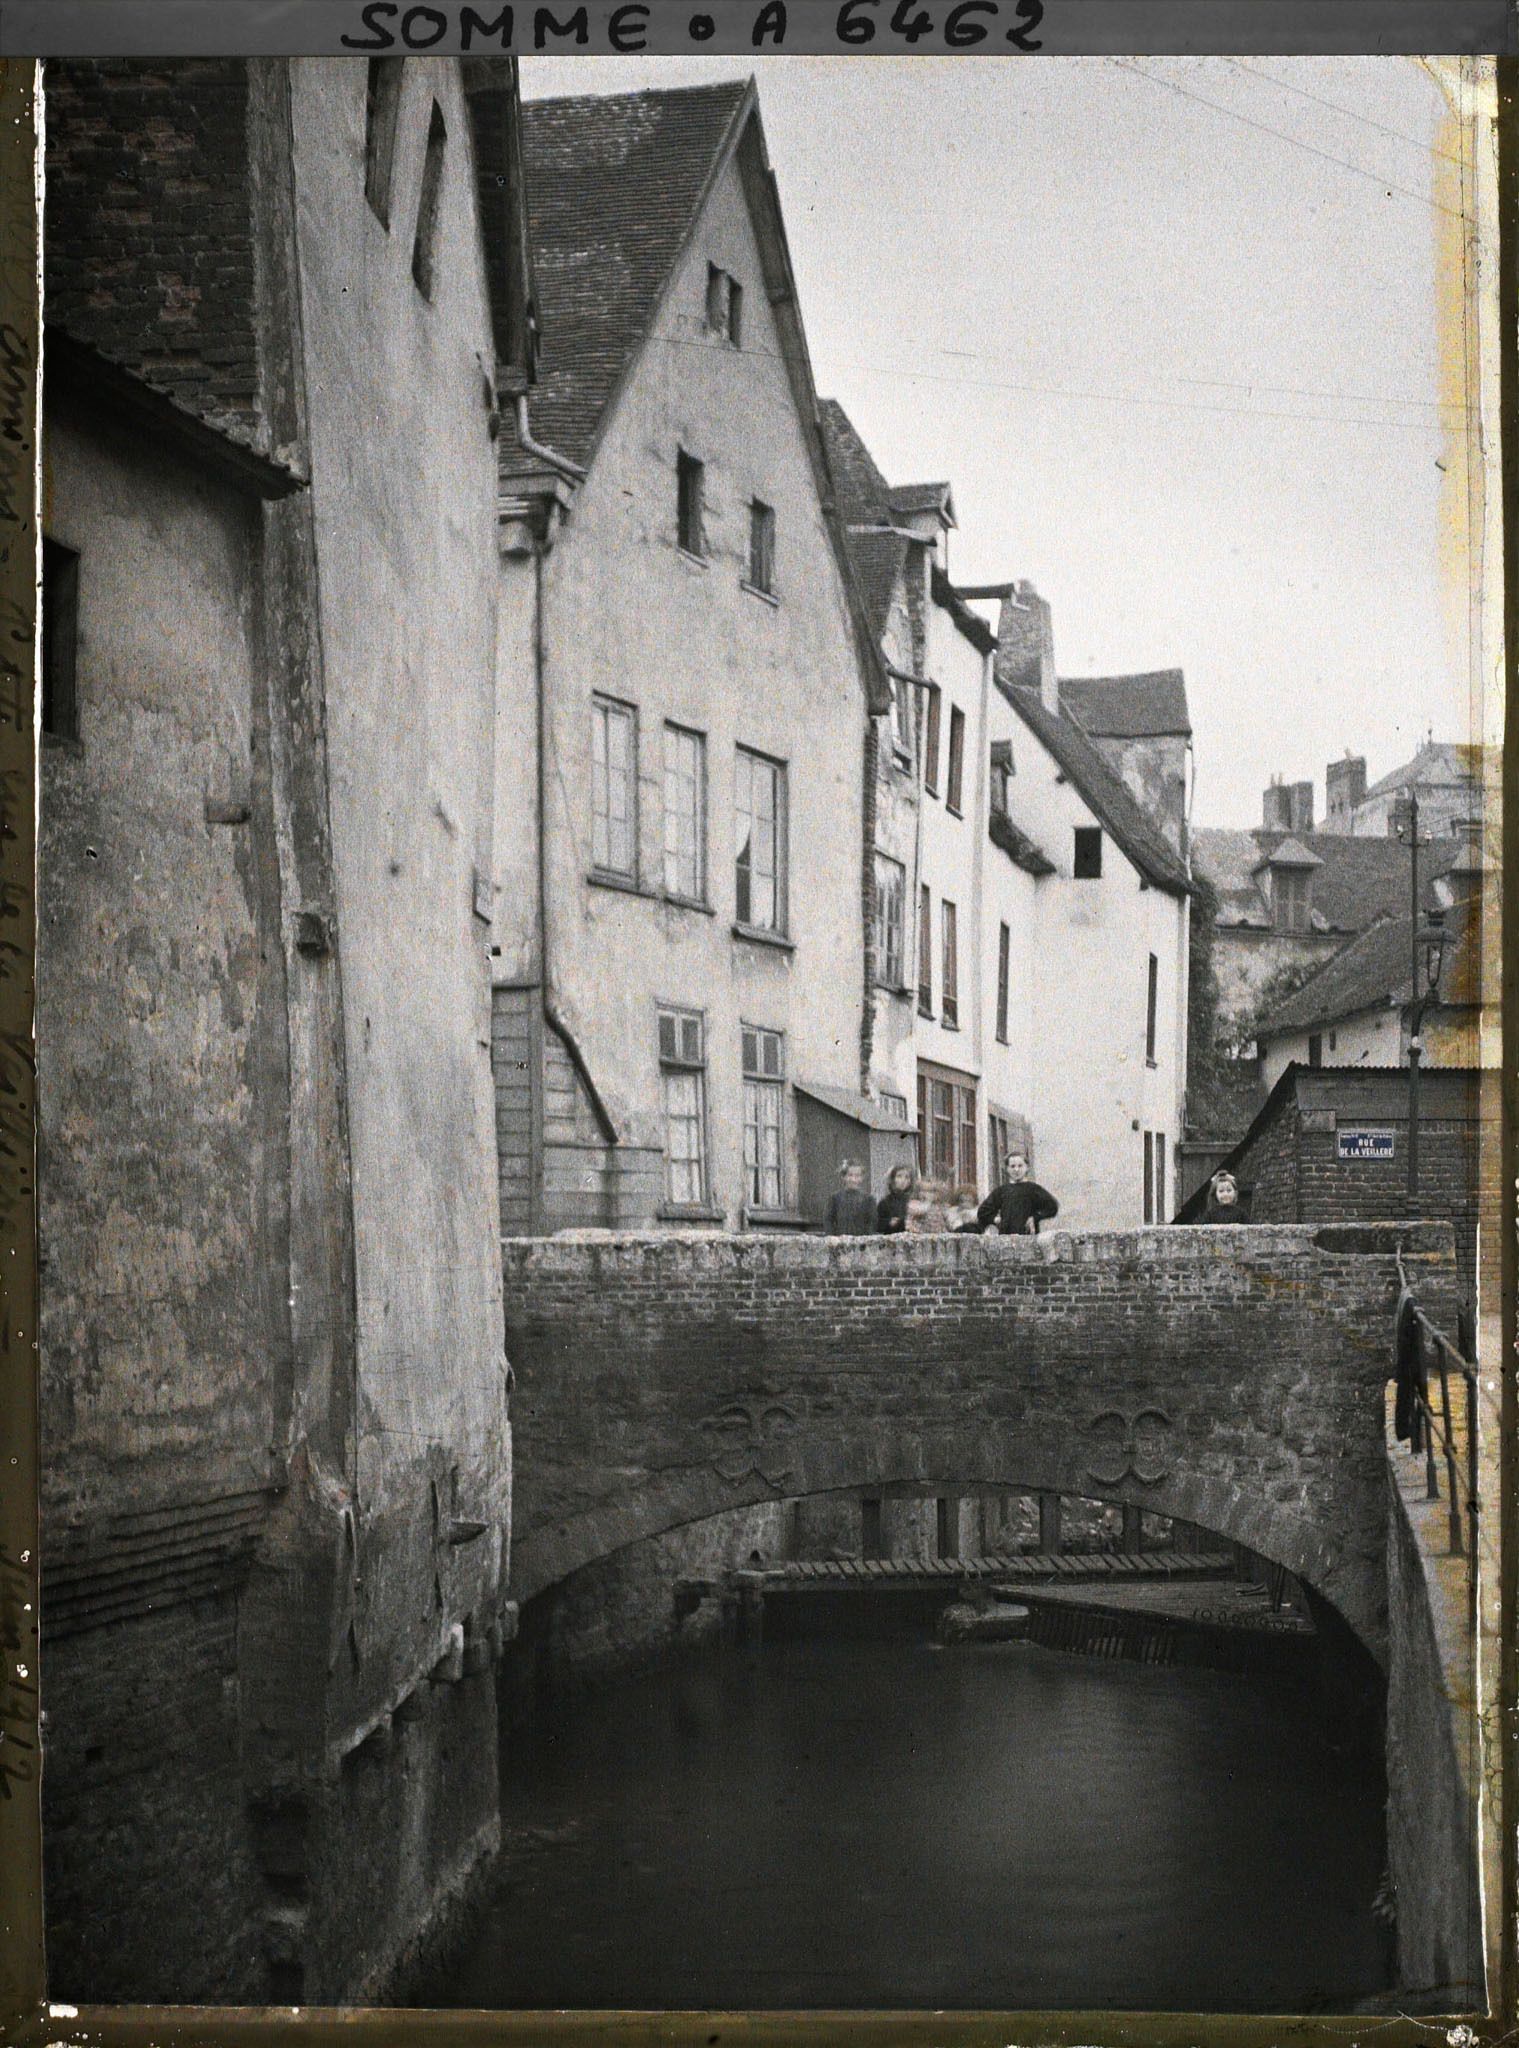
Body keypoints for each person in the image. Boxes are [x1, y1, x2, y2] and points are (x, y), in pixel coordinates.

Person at [977, 1149, 1059, 1236]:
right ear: (1007, 1169)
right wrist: (996, 1219)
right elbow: (983, 1212)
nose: (1016, 1169)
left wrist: (1035, 1217)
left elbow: (1052, 1207)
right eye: (1012, 1166)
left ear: (1027, 1167)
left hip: (1028, 1236)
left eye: (1020, 1166)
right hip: (1006, 1238)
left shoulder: (1033, 1189)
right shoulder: (1001, 1191)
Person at [825, 1159, 877, 1234]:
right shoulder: (835, 1198)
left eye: (857, 1176)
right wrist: (832, 1238)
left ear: (862, 1178)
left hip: (862, 1242)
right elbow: (828, 1221)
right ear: (844, 1177)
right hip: (840, 1242)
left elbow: (872, 1224)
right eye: (850, 1175)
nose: (853, 1179)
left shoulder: (869, 1200)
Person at [876, 1162, 915, 1235]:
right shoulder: (885, 1202)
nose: (903, 1180)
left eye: (907, 1177)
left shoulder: (912, 1201)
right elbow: (877, 1225)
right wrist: (889, 1222)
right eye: (899, 1176)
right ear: (893, 1179)